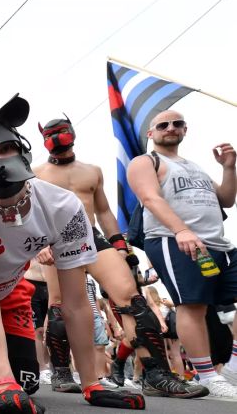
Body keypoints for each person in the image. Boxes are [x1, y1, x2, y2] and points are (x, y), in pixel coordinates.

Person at [0, 94, 145, 412]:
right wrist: (2, 385)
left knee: (28, 381)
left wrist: (91, 383)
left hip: (9, 288)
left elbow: (75, 300)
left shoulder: (64, 206)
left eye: (6, 149)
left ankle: (77, 378)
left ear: (22, 151)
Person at [33, 115, 205, 398]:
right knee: (59, 305)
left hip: (92, 236)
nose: (57, 137)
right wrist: (40, 242)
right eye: (51, 133)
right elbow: (28, 212)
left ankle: (156, 374)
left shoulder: (93, 171)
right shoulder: (35, 173)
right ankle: (61, 371)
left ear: (72, 132)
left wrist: (120, 246)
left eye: (61, 131)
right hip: (56, 239)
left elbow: (103, 212)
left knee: (132, 297)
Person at [127, 109, 237, 399]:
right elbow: (150, 198)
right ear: (151, 133)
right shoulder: (145, 161)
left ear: (185, 129)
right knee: (193, 306)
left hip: (218, 244)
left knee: (222, 305)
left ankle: (232, 364)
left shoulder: (195, 166)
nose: (171, 128)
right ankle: (208, 376)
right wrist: (181, 230)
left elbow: (226, 199)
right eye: (163, 125)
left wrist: (228, 167)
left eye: (177, 123)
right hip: (174, 240)